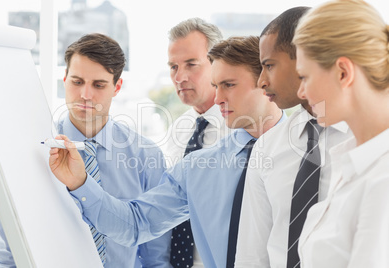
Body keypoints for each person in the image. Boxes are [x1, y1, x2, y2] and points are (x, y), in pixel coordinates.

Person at [48, 35, 285, 268]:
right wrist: (81, 183)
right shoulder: (198, 167)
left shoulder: (309, 155)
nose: (217, 98)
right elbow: (135, 225)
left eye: (229, 85)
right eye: (215, 86)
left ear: (267, 82)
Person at [0, 33, 172, 268]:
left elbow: (155, 257)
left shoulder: (147, 156)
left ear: (117, 87)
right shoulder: (31, 153)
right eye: (77, 82)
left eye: (98, 85)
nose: (85, 95)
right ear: (64, 79)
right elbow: (6, 256)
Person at [235, 6, 353, 268]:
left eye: (269, 66)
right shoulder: (267, 147)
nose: (261, 81)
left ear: (303, 59)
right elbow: (251, 254)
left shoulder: (371, 140)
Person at [292, 0, 389, 267]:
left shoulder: (383, 182)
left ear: (343, 72)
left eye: (304, 77)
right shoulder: (352, 164)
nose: (301, 92)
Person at [162, 18, 229, 267]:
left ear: (218, 65)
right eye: (173, 67)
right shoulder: (178, 130)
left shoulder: (240, 131)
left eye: (191, 64)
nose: (180, 77)